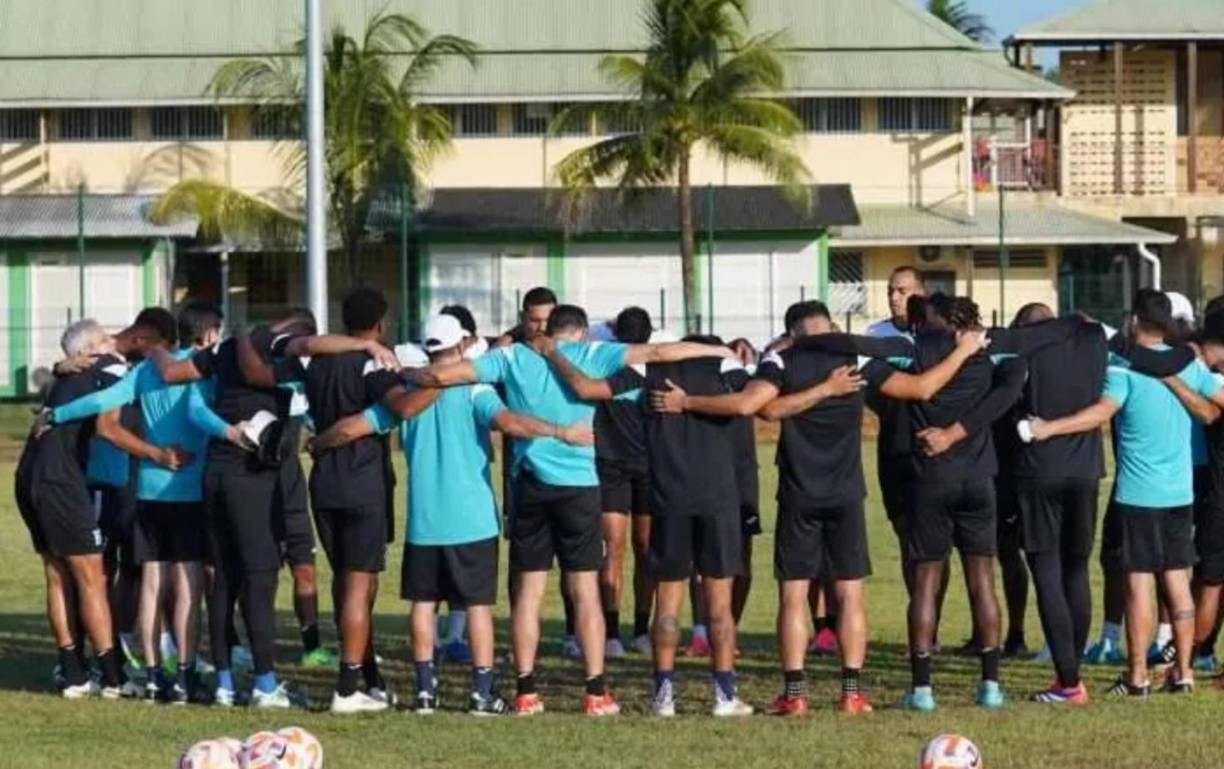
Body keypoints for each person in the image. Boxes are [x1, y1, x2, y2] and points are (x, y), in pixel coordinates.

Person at [653, 300, 984, 715]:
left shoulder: (781, 358)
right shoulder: (853, 357)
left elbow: (765, 408)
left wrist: (813, 391)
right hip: (846, 493)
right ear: (829, 326)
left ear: (792, 332)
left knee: (793, 596)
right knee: (849, 594)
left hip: (798, 494)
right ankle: (851, 693)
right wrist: (963, 351)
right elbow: (921, 389)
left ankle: (795, 695)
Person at [407, 304, 733, 716]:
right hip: (580, 488)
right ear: (579, 332)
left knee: (528, 593)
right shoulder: (592, 354)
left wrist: (411, 374)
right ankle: (595, 692)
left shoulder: (512, 357)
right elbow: (656, 354)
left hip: (529, 485)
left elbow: (443, 375)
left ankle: (525, 691)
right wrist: (714, 352)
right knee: (584, 592)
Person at [313, 314, 594, 715]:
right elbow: (511, 424)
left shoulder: (408, 391)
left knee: (423, 605)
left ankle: (426, 693)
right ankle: (482, 694)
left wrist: (319, 443)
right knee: (478, 605)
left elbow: (352, 428)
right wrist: (561, 432)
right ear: (461, 345)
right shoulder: (474, 390)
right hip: (473, 518)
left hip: (424, 522)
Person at [149, 306, 394, 706]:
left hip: (215, 473)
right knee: (259, 581)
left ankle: (226, 684)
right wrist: (366, 343)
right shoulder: (273, 343)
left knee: (224, 578)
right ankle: (265, 686)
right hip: (253, 477)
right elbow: (310, 343)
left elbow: (170, 373)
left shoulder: (224, 348)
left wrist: (155, 350)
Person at [45, 304, 249, 705]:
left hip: (148, 492)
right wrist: (230, 432)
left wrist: (56, 413)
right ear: (203, 337)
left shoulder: (142, 371)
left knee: (153, 581)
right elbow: (197, 411)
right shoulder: (197, 368)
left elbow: (101, 402)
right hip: (187, 491)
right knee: (188, 581)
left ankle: (156, 675)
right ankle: (185, 675)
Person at [1029, 289, 1224, 696]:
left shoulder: (1125, 365)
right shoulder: (1188, 363)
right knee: (1176, 578)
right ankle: (1184, 672)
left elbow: (1101, 412)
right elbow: (1216, 403)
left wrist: (1047, 427)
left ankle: (1137, 677)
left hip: (1139, 494)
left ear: (1134, 321)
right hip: (1181, 492)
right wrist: (1178, 383)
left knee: (1138, 583)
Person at [268, 288, 438, 713]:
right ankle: (346, 689)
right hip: (362, 485)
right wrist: (441, 380)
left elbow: (292, 346)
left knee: (349, 582)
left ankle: (370, 679)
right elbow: (402, 407)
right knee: (359, 588)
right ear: (380, 324)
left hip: (324, 483)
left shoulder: (318, 361)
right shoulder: (371, 364)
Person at [17, 319, 156, 700]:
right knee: (92, 575)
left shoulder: (67, 378)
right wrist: (156, 453)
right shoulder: (105, 369)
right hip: (60, 482)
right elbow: (110, 417)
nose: (113, 343)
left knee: (58, 575)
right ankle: (113, 677)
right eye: (105, 339)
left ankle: (73, 672)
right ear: (88, 352)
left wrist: (62, 365)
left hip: (29, 475)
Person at [592, 307, 655, 659]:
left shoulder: (655, 370)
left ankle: (629, 632)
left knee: (625, 549)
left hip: (640, 468)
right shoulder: (608, 365)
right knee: (631, 549)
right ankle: (620, 632)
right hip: (614, 466)